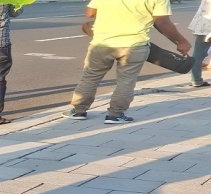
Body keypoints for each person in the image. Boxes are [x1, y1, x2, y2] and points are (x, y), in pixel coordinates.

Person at [62, 0, 191, 124]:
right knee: (126, 80)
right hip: (134, 46)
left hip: (101, 43)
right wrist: (181, 41)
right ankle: (115, 115)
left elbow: (90, 12)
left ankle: (78, 111)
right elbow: (162, 22)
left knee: (90, 77)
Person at [188, 0, 211, 87]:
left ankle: (196, 80)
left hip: (203, 26)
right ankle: (196, 80)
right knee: (198, 55)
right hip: (208, 27)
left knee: (198, 55)